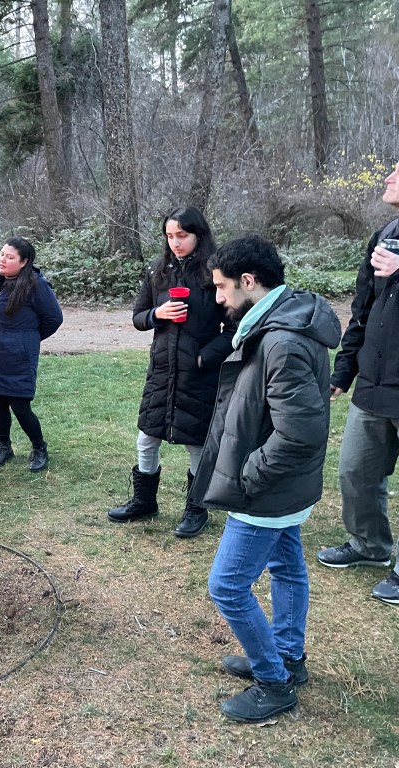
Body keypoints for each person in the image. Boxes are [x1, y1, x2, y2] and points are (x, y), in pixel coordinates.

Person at [191, 235, 340, 722]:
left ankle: (273, 683)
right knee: (287, 567)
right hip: (286, 488)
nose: (219, 297)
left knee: (227, 586)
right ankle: (287, 657)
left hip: (269, 490)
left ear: (248, 281)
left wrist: (247, 477)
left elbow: (299, 434)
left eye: (222, 287)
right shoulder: (279, 322)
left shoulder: (281, 340)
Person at [108, 206, 234, 538]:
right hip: (162, 371)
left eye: (182, 235)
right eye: (169, 236)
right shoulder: (158, 271)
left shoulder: (215, 273)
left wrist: (204, 358)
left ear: (198, 235)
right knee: (147, 437)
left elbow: (235, 329)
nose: (175, 242)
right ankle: (144, 501)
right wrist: (157, 314)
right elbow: (138, 317)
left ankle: (196, 508)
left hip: (199, 374)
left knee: (196, 443)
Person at [317, 161, 399, 605]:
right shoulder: (385, 234)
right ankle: (370, 545)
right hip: (374, 382)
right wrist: (344, 369)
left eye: (398, 172)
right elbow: (362, 310)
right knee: (356, 470)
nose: (388, 178)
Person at [0, 237, 63, 472]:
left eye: (10, 257)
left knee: (20, 405)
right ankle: (4, 446)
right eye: (2, 254)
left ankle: (39, 448)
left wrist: (27, 339)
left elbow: (54, 318)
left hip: (18, 355)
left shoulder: (36, 286)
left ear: (23, 262)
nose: (2, 260)